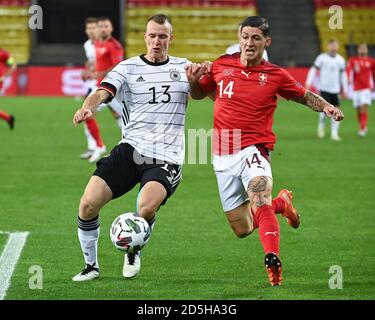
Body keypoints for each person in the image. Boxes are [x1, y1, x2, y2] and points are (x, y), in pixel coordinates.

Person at [186, 16, 344, 286]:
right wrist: (192, 80)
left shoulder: (275, 75)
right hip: (222, 155)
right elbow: (199, 94)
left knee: (259, 195)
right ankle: (282, 203)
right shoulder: (222, 65)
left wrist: (326, 106)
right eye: (245, 36)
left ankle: (272, 260)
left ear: (266, 42)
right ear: (239, 37)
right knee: (242, 228)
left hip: (253, 149)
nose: (249, 42)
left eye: (256, 38)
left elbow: (304, 95)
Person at [72, 14, 205, 281]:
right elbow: (103, 92)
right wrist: (88, 107)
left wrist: (193, 80)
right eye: (152, 35)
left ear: (170, 38)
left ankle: (133, 249)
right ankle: (91, 266)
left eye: (163, 36)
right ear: (145, 37)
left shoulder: (183, 67)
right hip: (131, 148)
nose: (157, 41)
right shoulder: (128, 68)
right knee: (87, 204)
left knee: (145, 208)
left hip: (166, 155)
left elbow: (200, 94)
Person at [305, 39, 347, 141]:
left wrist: (345, 88)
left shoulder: (341, 60)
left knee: (337, 112)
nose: (333, 47)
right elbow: (313, 69)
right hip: (324, 89)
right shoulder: (321, 58)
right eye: (331, 45)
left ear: (338, 47)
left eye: (335, 45)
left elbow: (343, 75)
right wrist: (308, 82)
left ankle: (334, 134)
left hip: (335, 90)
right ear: (328, 46)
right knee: (324, 111)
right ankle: (321, 128)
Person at [346, 43, 375, 138]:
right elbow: (348, 70)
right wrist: (348, 79)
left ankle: (362, 129)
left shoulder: (371, 61)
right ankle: (363, 126)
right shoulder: (353, 60)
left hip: (367, 88)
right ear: (358, 50)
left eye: (364, 48)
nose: (362, 50)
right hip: (356, 88)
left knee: (364, 107)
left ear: (367, 50)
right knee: (358, 110)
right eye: (361, 48)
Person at [0, 47, 17, 130]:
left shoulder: (2, 53)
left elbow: (13, 65)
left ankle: (8, 118)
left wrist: (5, 76)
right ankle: (8, 118)